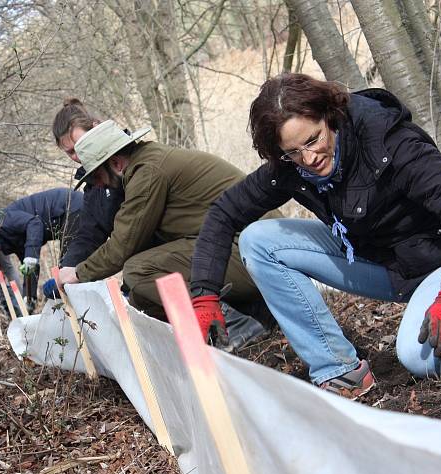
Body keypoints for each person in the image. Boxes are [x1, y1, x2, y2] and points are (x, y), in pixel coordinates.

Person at [190, 73, 441, 397]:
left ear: (330, 117)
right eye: (292, 152)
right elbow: (224, 213)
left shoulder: (388, 142)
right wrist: (205, 293)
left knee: (419, 359)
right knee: (258, 242)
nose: (308, 158)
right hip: (400, 267)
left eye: (313, 139)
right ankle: (340, 372)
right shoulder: (293, 166)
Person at [57, 119, 277, 348]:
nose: (98, 187)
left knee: (139, 270)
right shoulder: (147, 161)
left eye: (95, 178)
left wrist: (79, 273)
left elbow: (122, 245)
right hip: (238, 246)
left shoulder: (147, 173)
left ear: (116, 163)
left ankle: (235, 324)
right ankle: (184, 347)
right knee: (141, 296)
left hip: (256, 252)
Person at [44, 98, 127, 299]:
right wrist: (66, 270)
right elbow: (90, 233)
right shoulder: (94, 185)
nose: (77, 154)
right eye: (70, 152)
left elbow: (126, 240)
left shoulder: (128, 163)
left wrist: (80, 273)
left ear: (96, 128)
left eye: (79, 145)